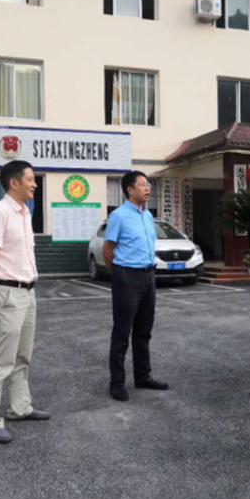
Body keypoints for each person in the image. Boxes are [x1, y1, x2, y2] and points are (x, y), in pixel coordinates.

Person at [0, 160, 50, 444]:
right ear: (14, 182)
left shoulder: (24, 212)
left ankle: (19, 407)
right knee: (0, 360)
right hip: (6, 292)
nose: (35, 184)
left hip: (27, 292)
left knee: (22, 356)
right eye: (31, 179)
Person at [103, 171, 168, 402]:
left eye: (148, 184)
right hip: (127, 276)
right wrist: (119, 275)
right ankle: (117, 383)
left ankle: (143, 376)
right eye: (142, 185)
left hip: (149, 276)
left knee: (143, 331)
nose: (148, 188)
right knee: (122, 331)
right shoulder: (118, 216)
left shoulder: (148, 215)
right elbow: (108, 250)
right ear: (130, 189)